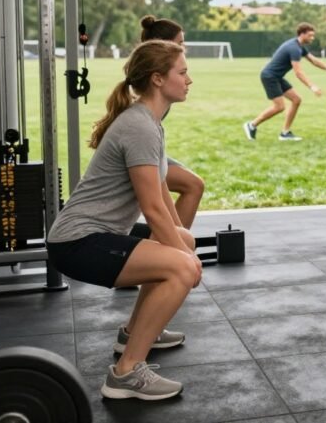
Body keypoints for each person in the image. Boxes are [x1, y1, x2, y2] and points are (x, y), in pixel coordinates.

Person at [45, 40, 202, 401]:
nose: (189, 80)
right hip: (76, 242)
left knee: (182, 246)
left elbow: (161, 194)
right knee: (180, 267)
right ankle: (126, 373)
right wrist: (185, 262)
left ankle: (135, 333)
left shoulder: (149, 121)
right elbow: (152, 208)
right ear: (158, 79)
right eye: (183, 72)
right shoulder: (139, 126)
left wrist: (181, 244)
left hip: (98, 233)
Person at [139, 15, 204, 228]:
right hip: (137, 155)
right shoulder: (148, 85)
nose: (184, 48)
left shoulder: (157, 79)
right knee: (192, 185)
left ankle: (175, 247)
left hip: (149, 153)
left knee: (193, 185)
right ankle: (172, 250)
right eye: (180, 43)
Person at [243, 23, 326, 141]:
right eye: (310, 35)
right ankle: (251, 125)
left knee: (296, 100)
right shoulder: (294, 48)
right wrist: (312, 87)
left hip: (277, 77)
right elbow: (298, 73)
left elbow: (313, 60)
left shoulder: (299, 46)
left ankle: (285, 133)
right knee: (279, 107)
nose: (312, 38)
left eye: (313, 36)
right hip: (270, 77)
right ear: (302, 34)